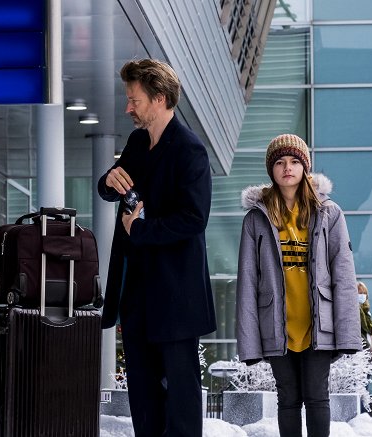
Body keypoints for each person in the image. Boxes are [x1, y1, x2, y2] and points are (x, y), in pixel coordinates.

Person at [98, 58, 216, 437]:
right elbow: (110, 188)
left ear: (160, 98)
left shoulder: (190, 151)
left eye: (134, 99)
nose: (128, 107)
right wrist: (108, 178)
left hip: (176, 297)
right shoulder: (136, 143)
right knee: (144, 400)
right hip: (137, 295)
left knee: (180, 403)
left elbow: (194, 219)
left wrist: (143, 230)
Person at [235, 134, 361, 437]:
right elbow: (248, 283)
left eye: (293, 161)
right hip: (277, 325)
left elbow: (343, 275)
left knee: (317, 397)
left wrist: (347, 334)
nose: (287, 168)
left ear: (305, 167)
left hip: (319, 325)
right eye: (279, 162)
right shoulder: (256, 219)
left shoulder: (329, 213)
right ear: (272, 170)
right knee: (288, 400)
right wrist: (250, 339)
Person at [357, 281, 372, 360]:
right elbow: (358, 334)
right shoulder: (353, 312)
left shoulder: (366, 311)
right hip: (362, 353)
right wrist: (371, 350)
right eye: (359, 293)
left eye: (364, 293)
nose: (362, 295)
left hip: (371, 351)